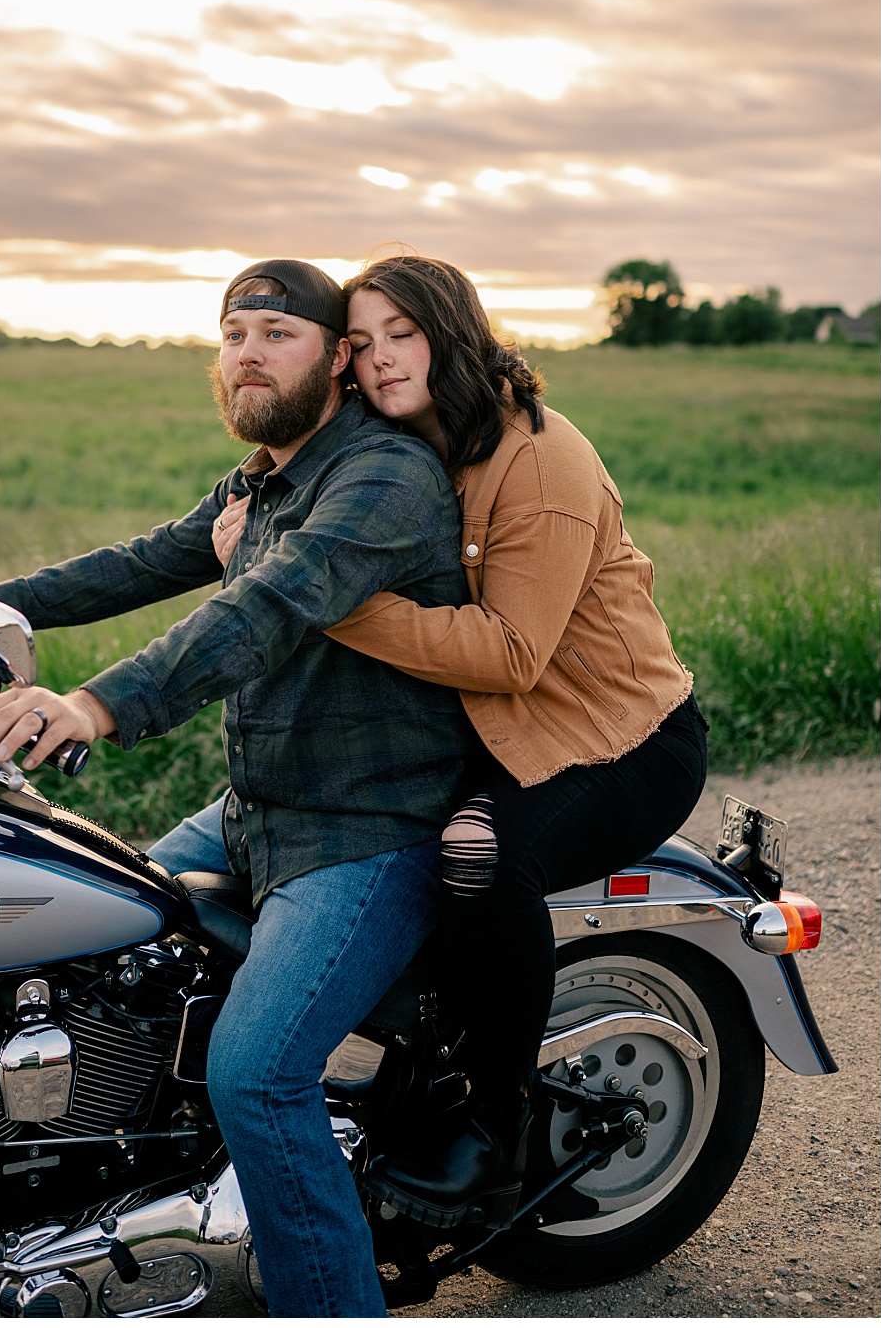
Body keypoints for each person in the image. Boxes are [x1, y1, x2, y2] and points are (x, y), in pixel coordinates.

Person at [0, 258, 477, 1318]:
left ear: (340, 361)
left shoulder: (385, 477)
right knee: (106, 952)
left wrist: (94, 705)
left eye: (279, 332)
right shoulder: (263, 477)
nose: (248, 351)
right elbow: (138, 562)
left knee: (256, 1074)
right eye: (233, 332)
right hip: (260, 811)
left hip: (368, 830)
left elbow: (263, 609)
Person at [212, 254, 708, 1234]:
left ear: (456, 333)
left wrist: (316, 603)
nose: (383, 359)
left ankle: (496, 1126)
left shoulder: (540, 456)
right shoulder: (400, 446)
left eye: (406, 333)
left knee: (478, 853)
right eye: (361, 343)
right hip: (504, 729)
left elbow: (514, 652)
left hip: (621, 736)